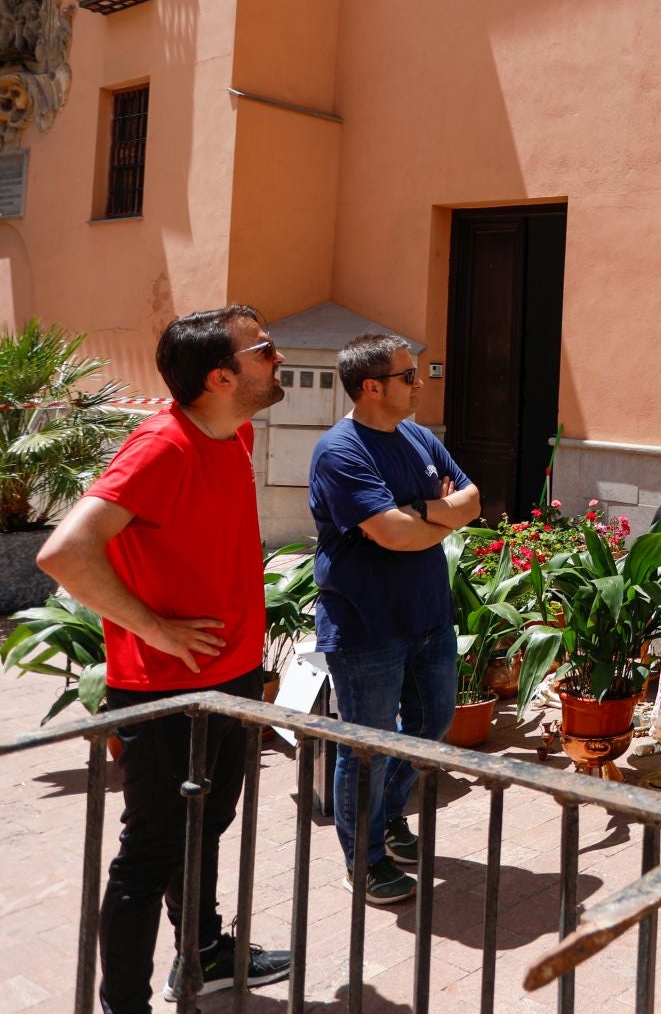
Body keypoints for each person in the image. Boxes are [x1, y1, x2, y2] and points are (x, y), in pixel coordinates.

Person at [37, 305, 295, 1011]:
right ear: (220, 376)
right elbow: (64, 552)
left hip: (230, 680)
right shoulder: (162, 447)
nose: (278, 357)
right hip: (166, 695)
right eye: (264, 349)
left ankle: (204, 954)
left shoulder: (233, 430)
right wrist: (155, 629)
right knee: (148, 854)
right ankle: (125, 1004)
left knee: (206, 826)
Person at [307, 333, 479, 906]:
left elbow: (473, 501)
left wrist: (421, 512)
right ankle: (365, 858)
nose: (420, 383)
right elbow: (392, 534)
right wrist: (435, 517)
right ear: (372, 386)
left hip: (427, 613)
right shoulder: (341, 451)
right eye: (409, 375)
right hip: (365, 625)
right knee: (366, 746)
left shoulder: (417, 436)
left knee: (431, 725)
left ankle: (384, 817)